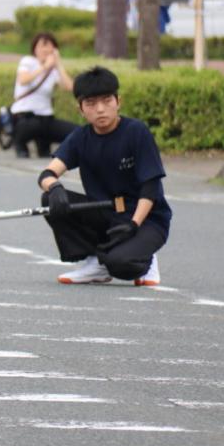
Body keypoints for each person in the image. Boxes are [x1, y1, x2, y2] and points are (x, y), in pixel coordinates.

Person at [38, 66, 170, 287]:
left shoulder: (136, 132)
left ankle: (146, 257)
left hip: (146, 219)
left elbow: (150, 188)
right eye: (90, 104)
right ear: (81, 109)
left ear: (118, 101)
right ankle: (95, 262)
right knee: (50, 201)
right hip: (106, 213)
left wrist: (134, 225)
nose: (100, 109)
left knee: (120, 263)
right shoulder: (80, 137)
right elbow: (47, 173)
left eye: (107, 101)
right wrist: (55, 188)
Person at [10, 33, 77, 159]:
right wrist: (44, 67)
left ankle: (43, 145)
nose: (46, 50)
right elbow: (23, 80)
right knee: (32, 126)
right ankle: (19, 143)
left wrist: (58, 64)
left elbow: (70, 87)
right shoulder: (28, 61)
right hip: (25, 117)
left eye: (50, 46)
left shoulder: (54, 70)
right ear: (35, 48)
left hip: (46, 118)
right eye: (42, 46)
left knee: (76, 132)